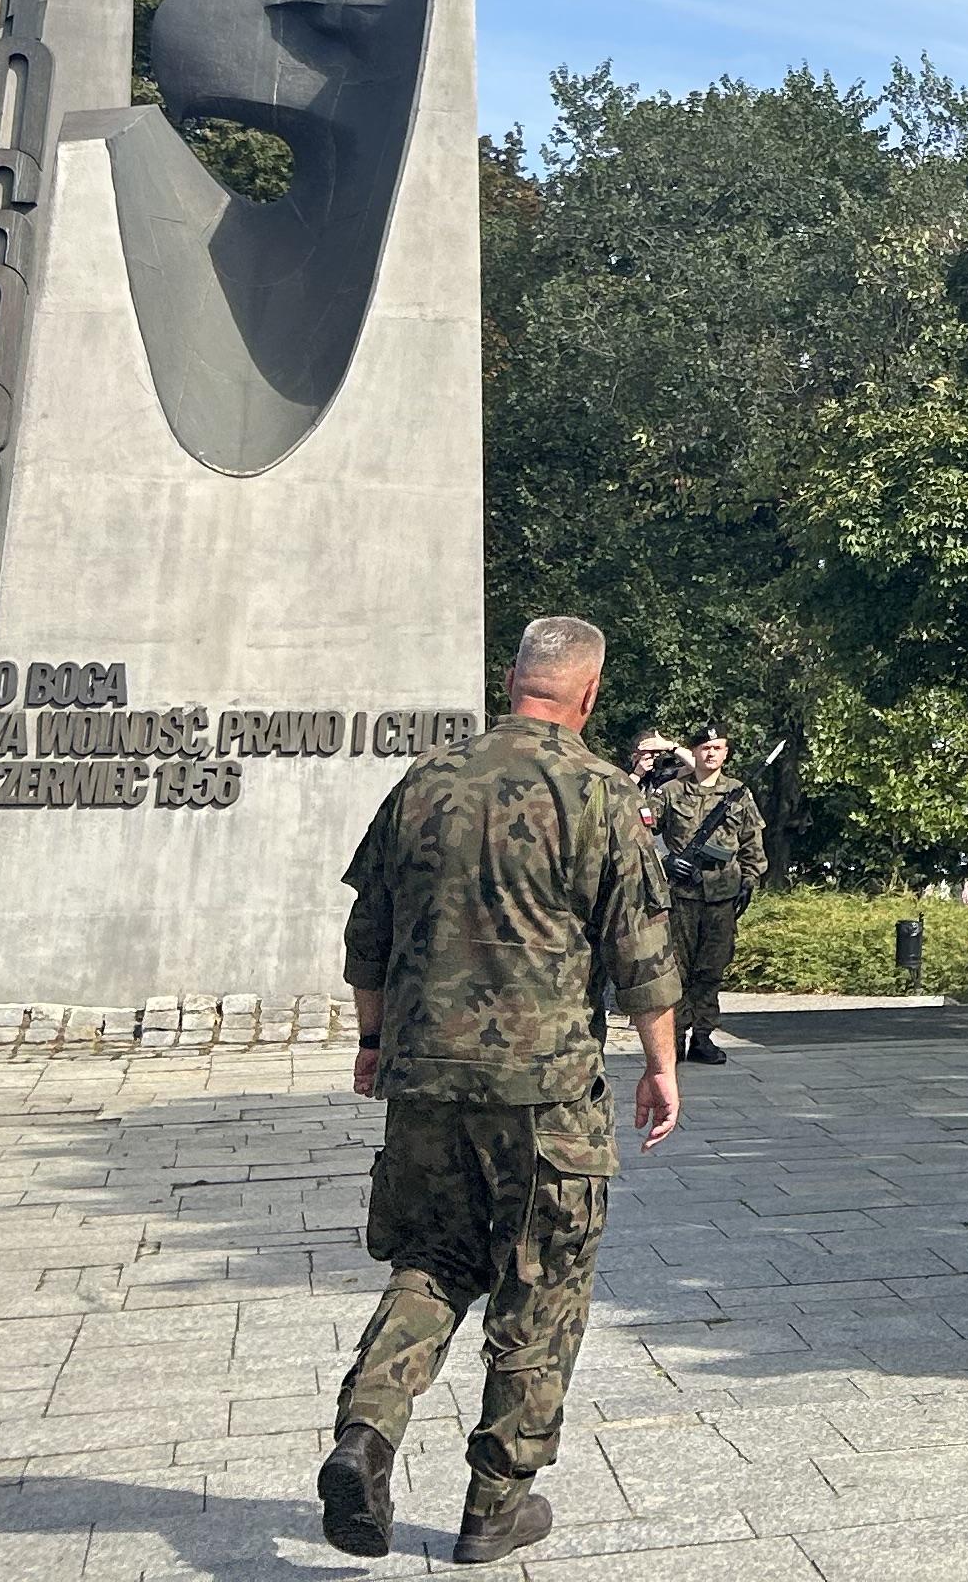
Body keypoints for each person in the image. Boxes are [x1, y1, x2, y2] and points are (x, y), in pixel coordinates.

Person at [322, 614, 681, 1568]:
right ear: (588, 693)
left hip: (426, 1080)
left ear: (511, 680)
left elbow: (367, 934)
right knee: (543, 1287)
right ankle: (495, 1505)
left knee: (431, 1261)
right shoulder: (601, 793)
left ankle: (367, 1433)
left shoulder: (425, 782)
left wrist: (372, 1041)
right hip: (545, 1094)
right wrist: (661, 1065)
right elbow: (642, 951)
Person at [659, 729, 767, 1068]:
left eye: (718, 748)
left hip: (721, 897)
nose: (711, 754)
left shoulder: (738, 794)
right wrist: (664, 861)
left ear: (726, 753)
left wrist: (749, 880)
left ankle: (703, 1036)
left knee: (712, 969)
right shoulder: (671, 792)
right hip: (681, 897)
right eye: (705, 747)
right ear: (694, 752)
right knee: (677, 970)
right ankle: (675, 1036)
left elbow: (752, 843)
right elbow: (637, 834)